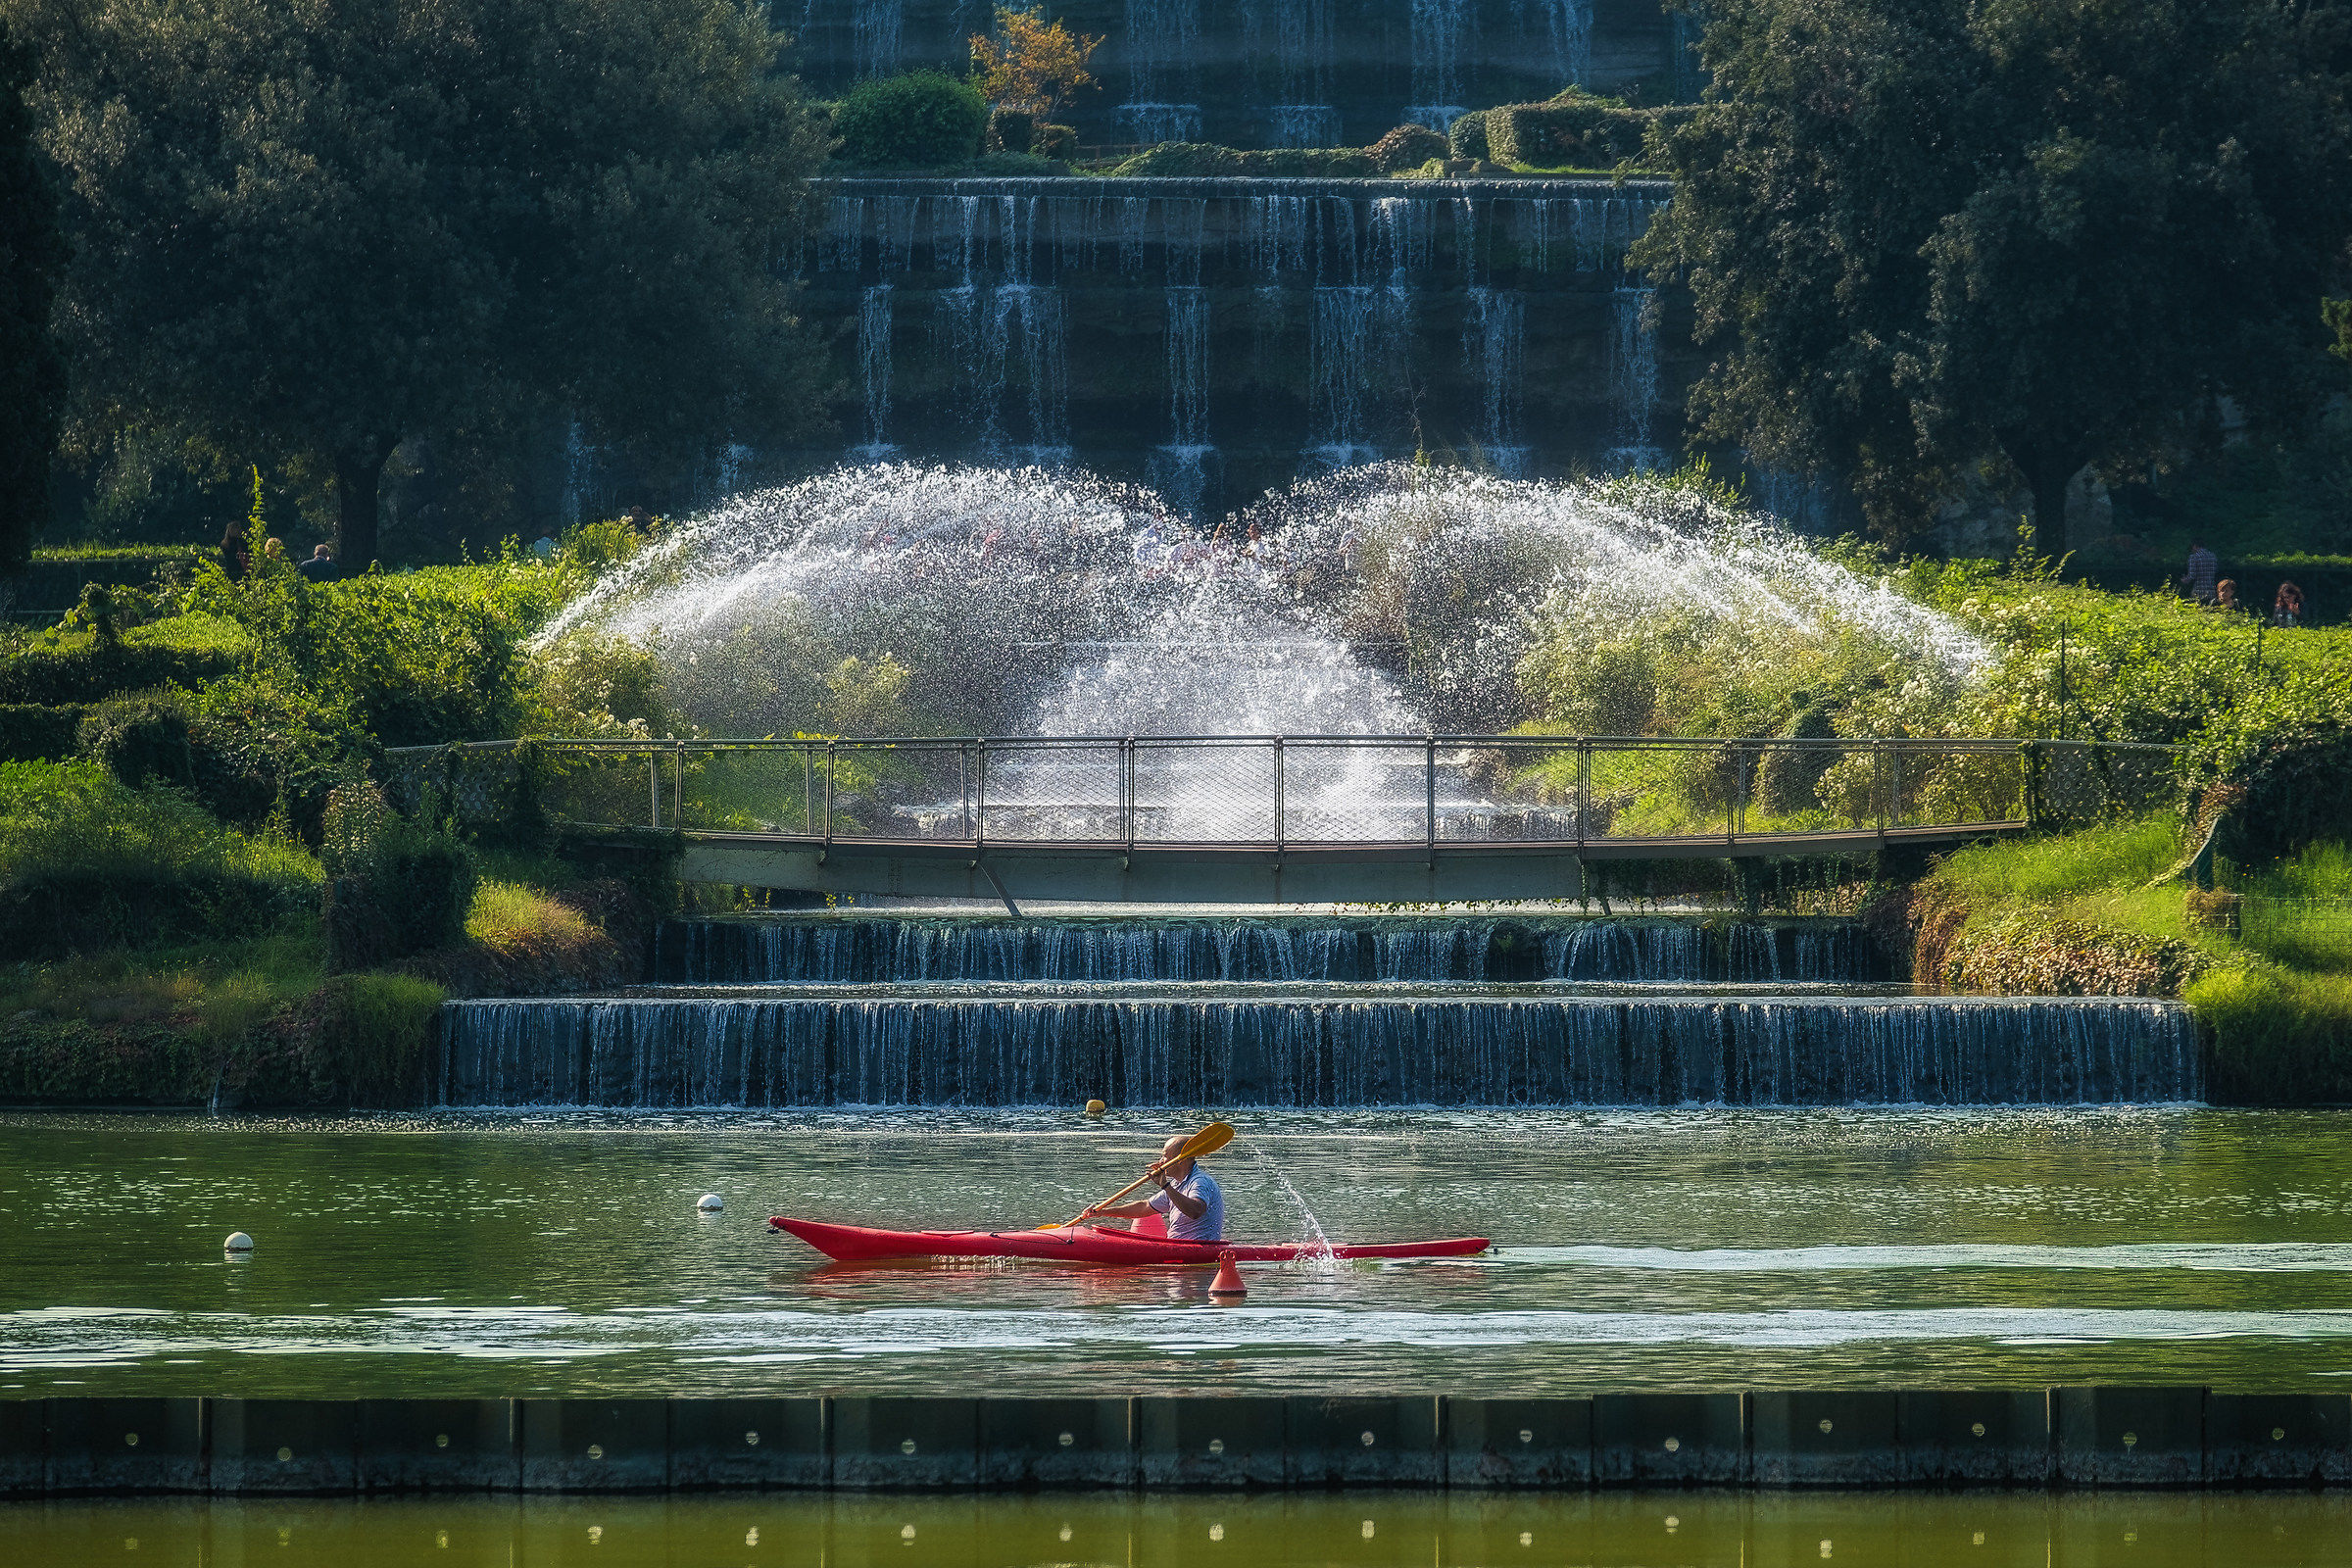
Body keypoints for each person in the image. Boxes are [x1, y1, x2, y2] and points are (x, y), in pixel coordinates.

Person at [1080, 1132, 1225, 1244]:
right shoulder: (1176, 1184)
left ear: (1181, 1160)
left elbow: (1195, 1211)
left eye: (1165, 1156)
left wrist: (1165, 1185)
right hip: (1178, 1245)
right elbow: (1144, 1207)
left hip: (1199, 1250)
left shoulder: (1200, 1181)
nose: (1160, 1161)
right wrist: (1102, 1212)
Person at [2180, 539, 2219, 605]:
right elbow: (2215, 571)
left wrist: (2184, 580)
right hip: (2212, 590)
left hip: (2199, 590)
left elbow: (2192, 575)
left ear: (2195, 546)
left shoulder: (2194, 557)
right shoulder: (2213, 556)